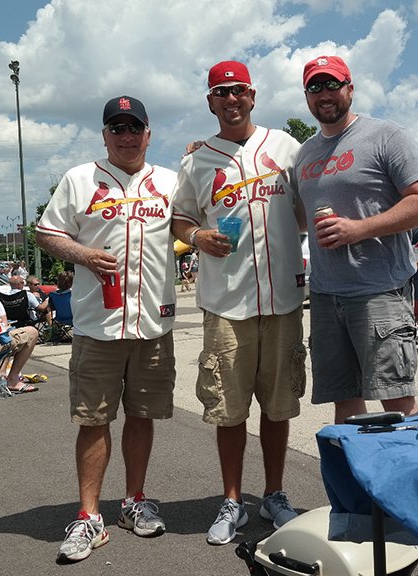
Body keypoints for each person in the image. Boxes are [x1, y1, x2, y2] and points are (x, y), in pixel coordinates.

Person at [35, 95, 178, 563]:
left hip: (153, 321)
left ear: (148, 133)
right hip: (98, 323)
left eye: (134, 127)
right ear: (104, 135)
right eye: (117, 128)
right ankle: (89, 515)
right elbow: (47, 232)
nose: (126, 135)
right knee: (93, 419)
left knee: (142, 415)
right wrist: (83, 254)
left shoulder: (170, 181)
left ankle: (134, 502)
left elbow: (193, 222)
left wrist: (201, 154)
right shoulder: (81, 178)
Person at [171, 60, 307, 546]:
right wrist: (198, 236)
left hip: (282, 297)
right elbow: (180, 219)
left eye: (239, 90)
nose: (231, 99)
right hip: (226, 301)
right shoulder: (197, 161)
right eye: (221, 92)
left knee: (279, 404)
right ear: (211, 101)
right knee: (228, 409)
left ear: (253, 95)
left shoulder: (285, 146)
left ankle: (274, 493)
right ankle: (232, 499)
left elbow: (306, 208)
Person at [291, 55, 418, 425]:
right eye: (315, 87)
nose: (324, 93)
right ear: (307, 96)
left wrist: (358, 229)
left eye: (332, 84)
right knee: (344, 401)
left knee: (397, 400)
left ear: (350, 89)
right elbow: (298, 219)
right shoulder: (305, 153)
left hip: (379, 291)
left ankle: (402, 465)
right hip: (326, 295)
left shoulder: (386, 135)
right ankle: (350, 465)